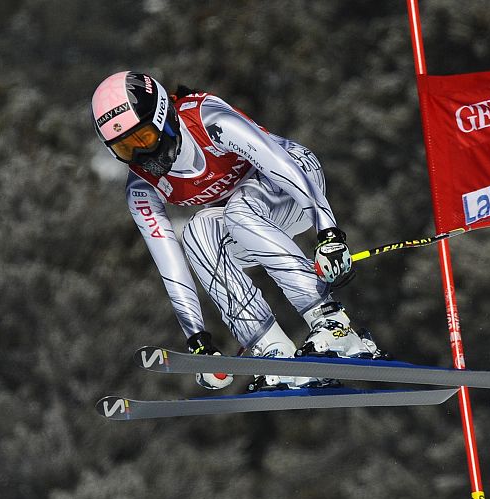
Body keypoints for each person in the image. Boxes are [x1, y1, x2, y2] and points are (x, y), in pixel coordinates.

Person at [91, 71, 386, 391]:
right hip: (253, 224)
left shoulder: (208, 120)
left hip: (299, 184)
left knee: (239, 210)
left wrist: (328, 233)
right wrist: (198, 340)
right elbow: (170, 263)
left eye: (143, 139)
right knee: (196, 233)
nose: (140, 157)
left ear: (163, 115)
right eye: (125, 149)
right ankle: (272, 349)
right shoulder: (141, 187)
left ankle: (331, 322)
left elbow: (277, 162)